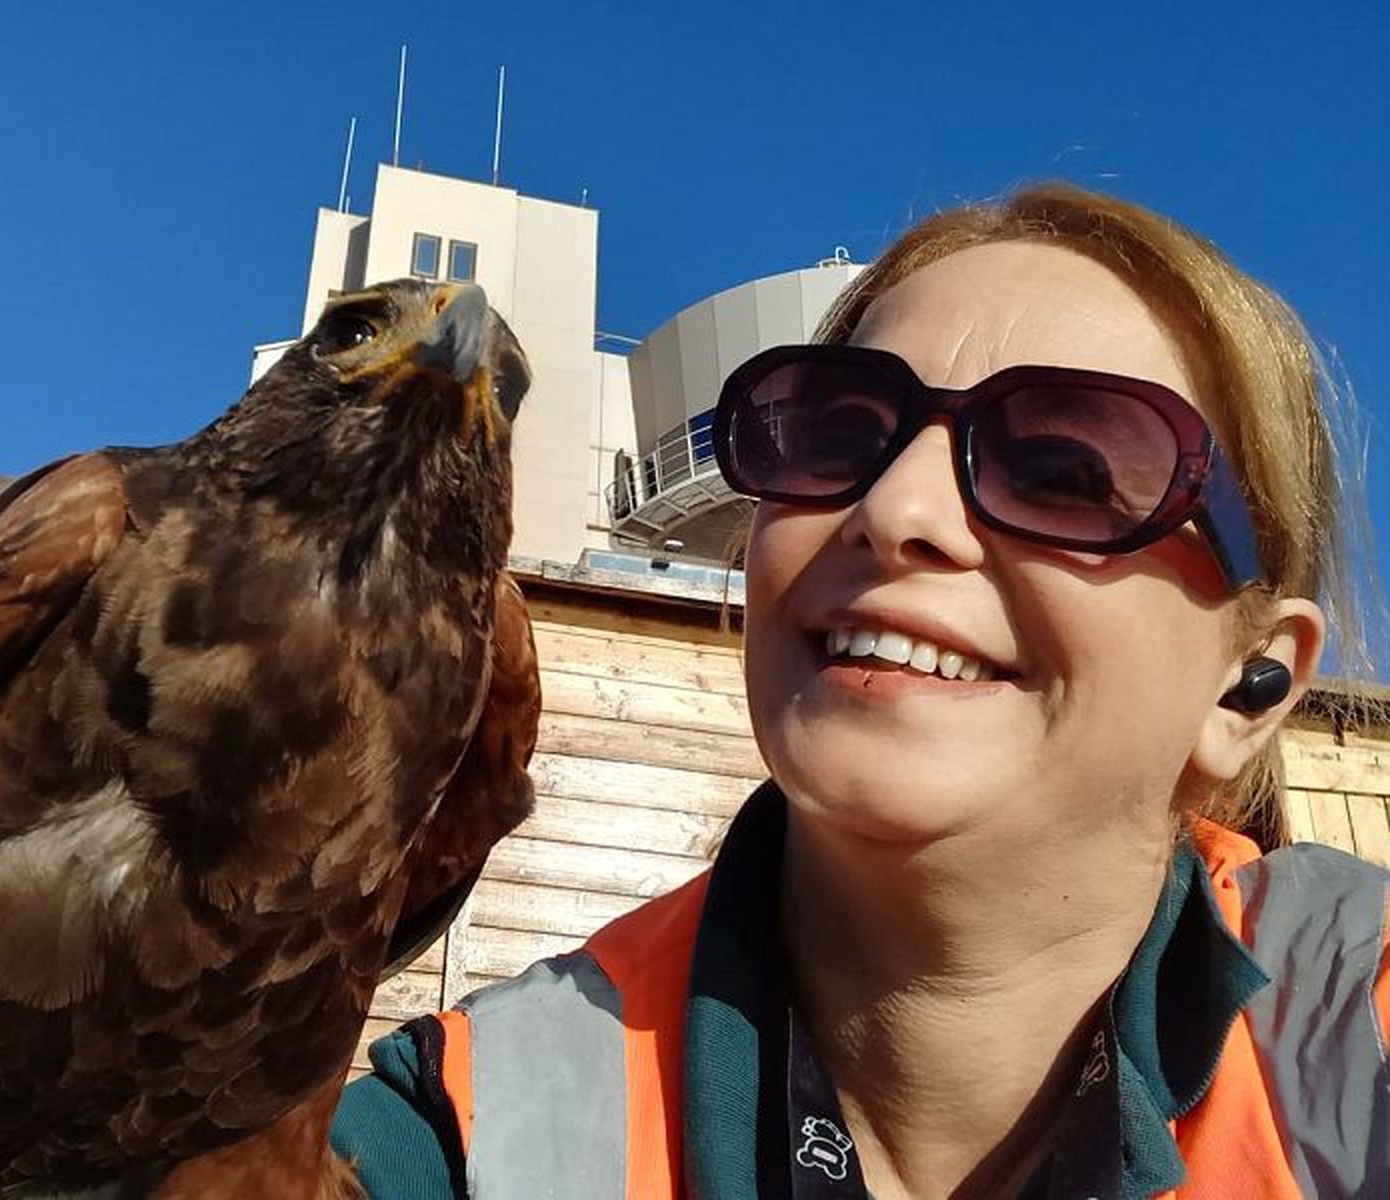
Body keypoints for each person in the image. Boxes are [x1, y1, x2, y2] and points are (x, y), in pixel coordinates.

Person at [326, 184, 1390, 1198]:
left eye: (1064, 468)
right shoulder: (456, 1129)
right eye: (835, 432)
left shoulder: (1363, 1027)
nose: (895, 505)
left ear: (1247, 691)